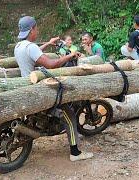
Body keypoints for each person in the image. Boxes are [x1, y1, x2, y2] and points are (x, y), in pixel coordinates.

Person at [14, 16, 93, 162]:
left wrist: (48, 44)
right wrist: (69, 56)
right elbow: (51, 64)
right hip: (37, 89)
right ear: (32, 29)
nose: (37, 30)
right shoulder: (30, 47)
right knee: (69, 114)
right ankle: (75, 153)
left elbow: (35, 53)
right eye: (36, 28)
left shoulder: (19, 46)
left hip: (27, 85)